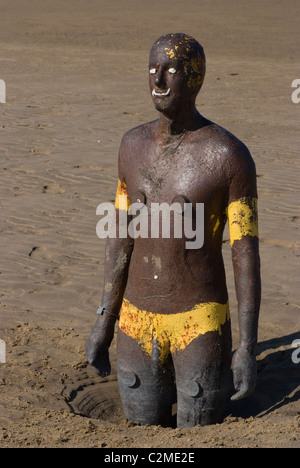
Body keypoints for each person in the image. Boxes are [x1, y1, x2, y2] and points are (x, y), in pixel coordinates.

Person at [86, 33, 261, 428]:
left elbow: (244, 252)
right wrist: (104, 319)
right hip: (134, 321)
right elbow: (119, 236)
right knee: (140, 427)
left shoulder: (229, 157)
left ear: (195, 78)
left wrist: (247, 346)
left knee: (197, 432)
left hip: (199, 324)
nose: (158, 80)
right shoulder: (131, 146)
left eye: (171, 70)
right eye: (153, 69)